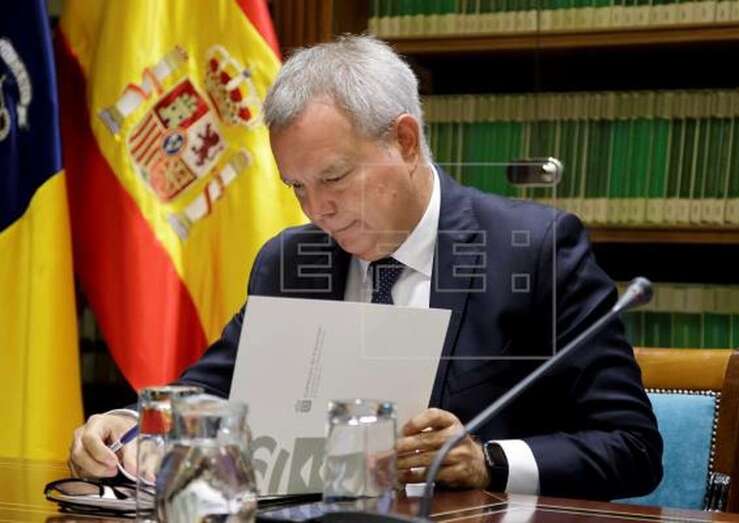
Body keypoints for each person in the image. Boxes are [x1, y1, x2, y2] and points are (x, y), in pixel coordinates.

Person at [69, 35, 662, 500]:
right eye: (296, 186)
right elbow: (215, 389)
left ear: (404, 141)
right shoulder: (291, 259)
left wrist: (488, 460)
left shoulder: (533, 249)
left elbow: (632, 447)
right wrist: (131, 421)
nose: (317, 209)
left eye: (333, 178)